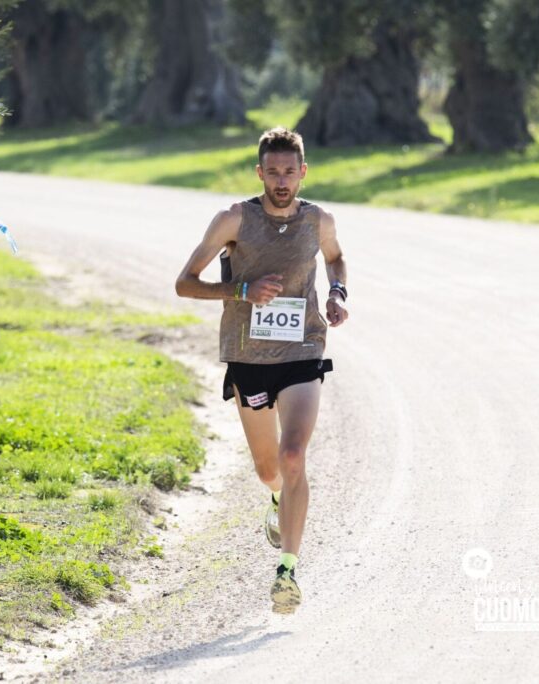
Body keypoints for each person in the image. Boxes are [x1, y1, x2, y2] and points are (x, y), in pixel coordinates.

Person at [174, 127, 349, 614]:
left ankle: (287, 572)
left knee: (294, 455)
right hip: (249, 357)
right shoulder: (234, 219)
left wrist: (338, 294)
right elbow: (185, 284)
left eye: (289, 171)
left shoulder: (319, 220)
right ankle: (276, 500)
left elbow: (336, 260)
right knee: (269, 469)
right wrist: (241, 291)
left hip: (302, 351)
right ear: (259, 173)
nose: (281, 180)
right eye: (272, 172)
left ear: (303, 172)